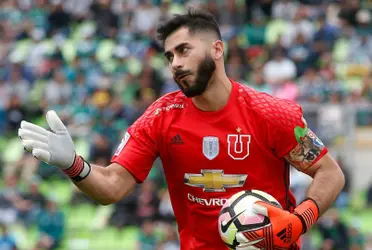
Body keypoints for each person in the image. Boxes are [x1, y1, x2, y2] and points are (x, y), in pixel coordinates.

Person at [18, 8, 345, 250]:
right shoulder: (160, 117)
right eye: (169, 55)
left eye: (184, 50)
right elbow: (113, 186)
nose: (174, 62)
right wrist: (73, 164)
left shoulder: (272, 114)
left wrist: (301, 219)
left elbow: (330, 173)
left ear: (217, 50)